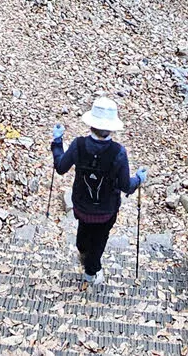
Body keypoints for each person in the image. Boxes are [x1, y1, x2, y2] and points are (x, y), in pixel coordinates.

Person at [51, 96, 147, 286]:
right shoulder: (119, 152)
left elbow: (61, 167)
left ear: (91, 123)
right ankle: (91, 272)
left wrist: (57, 142)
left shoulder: (78, 145)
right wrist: (139, 179)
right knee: (99, 240)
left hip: (81, 206)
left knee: (84, 234)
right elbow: (125, 185)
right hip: (106, 210)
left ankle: (86, 256)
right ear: (111, 127)